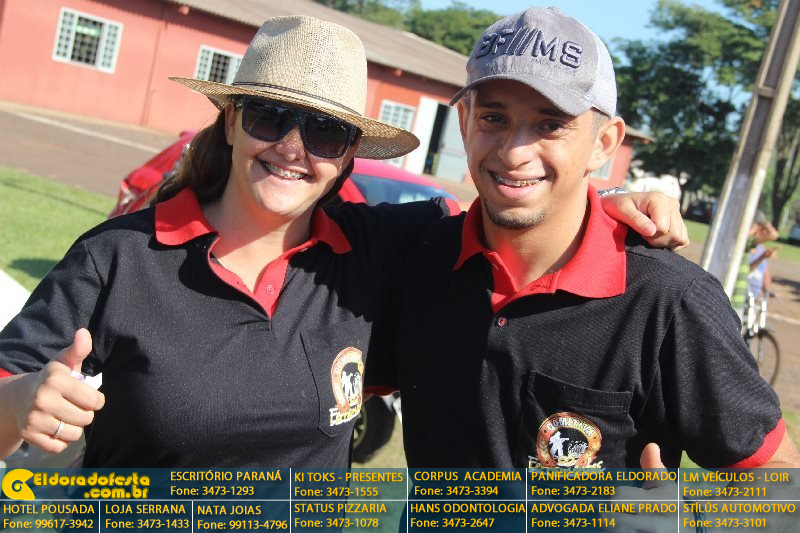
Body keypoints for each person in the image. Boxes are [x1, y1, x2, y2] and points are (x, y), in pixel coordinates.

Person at [0, 16, 687, 468]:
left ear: (350, 154)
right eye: (271, 116)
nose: (293, 148)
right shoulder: (119, 256)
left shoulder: (383, 250)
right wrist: (21, 399)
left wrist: (606, 203)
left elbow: (518, 214)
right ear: (231, 121)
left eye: (325, 131)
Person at [369, 7, 800, 471]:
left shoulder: (670, 301)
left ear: (604, 144)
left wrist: (679, 511)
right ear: (464, 122)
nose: (514, 152)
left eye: (550, 125)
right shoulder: (417, 258)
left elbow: (781, 489)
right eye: (494, 117)